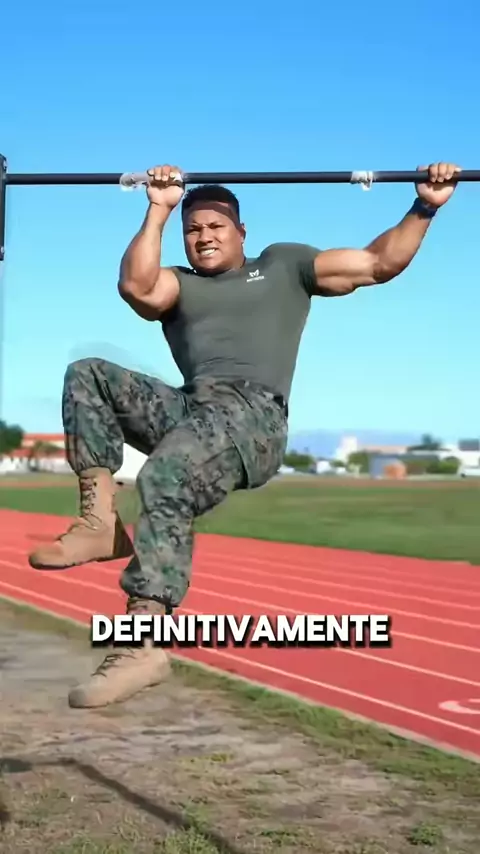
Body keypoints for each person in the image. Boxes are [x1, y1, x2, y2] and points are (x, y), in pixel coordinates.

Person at [28, 161, 461, 708]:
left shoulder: (283, 266)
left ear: (240, 232)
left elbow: (378, 262)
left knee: (165, 475)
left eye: (216, 226)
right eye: (193, 229)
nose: (204, 236)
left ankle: (141, 644)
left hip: (254, 418)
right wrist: (159, 208)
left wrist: (424, 206)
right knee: (88, 373)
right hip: (194, 411)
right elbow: (136, 286)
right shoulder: (178, 284)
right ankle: (99, 523)